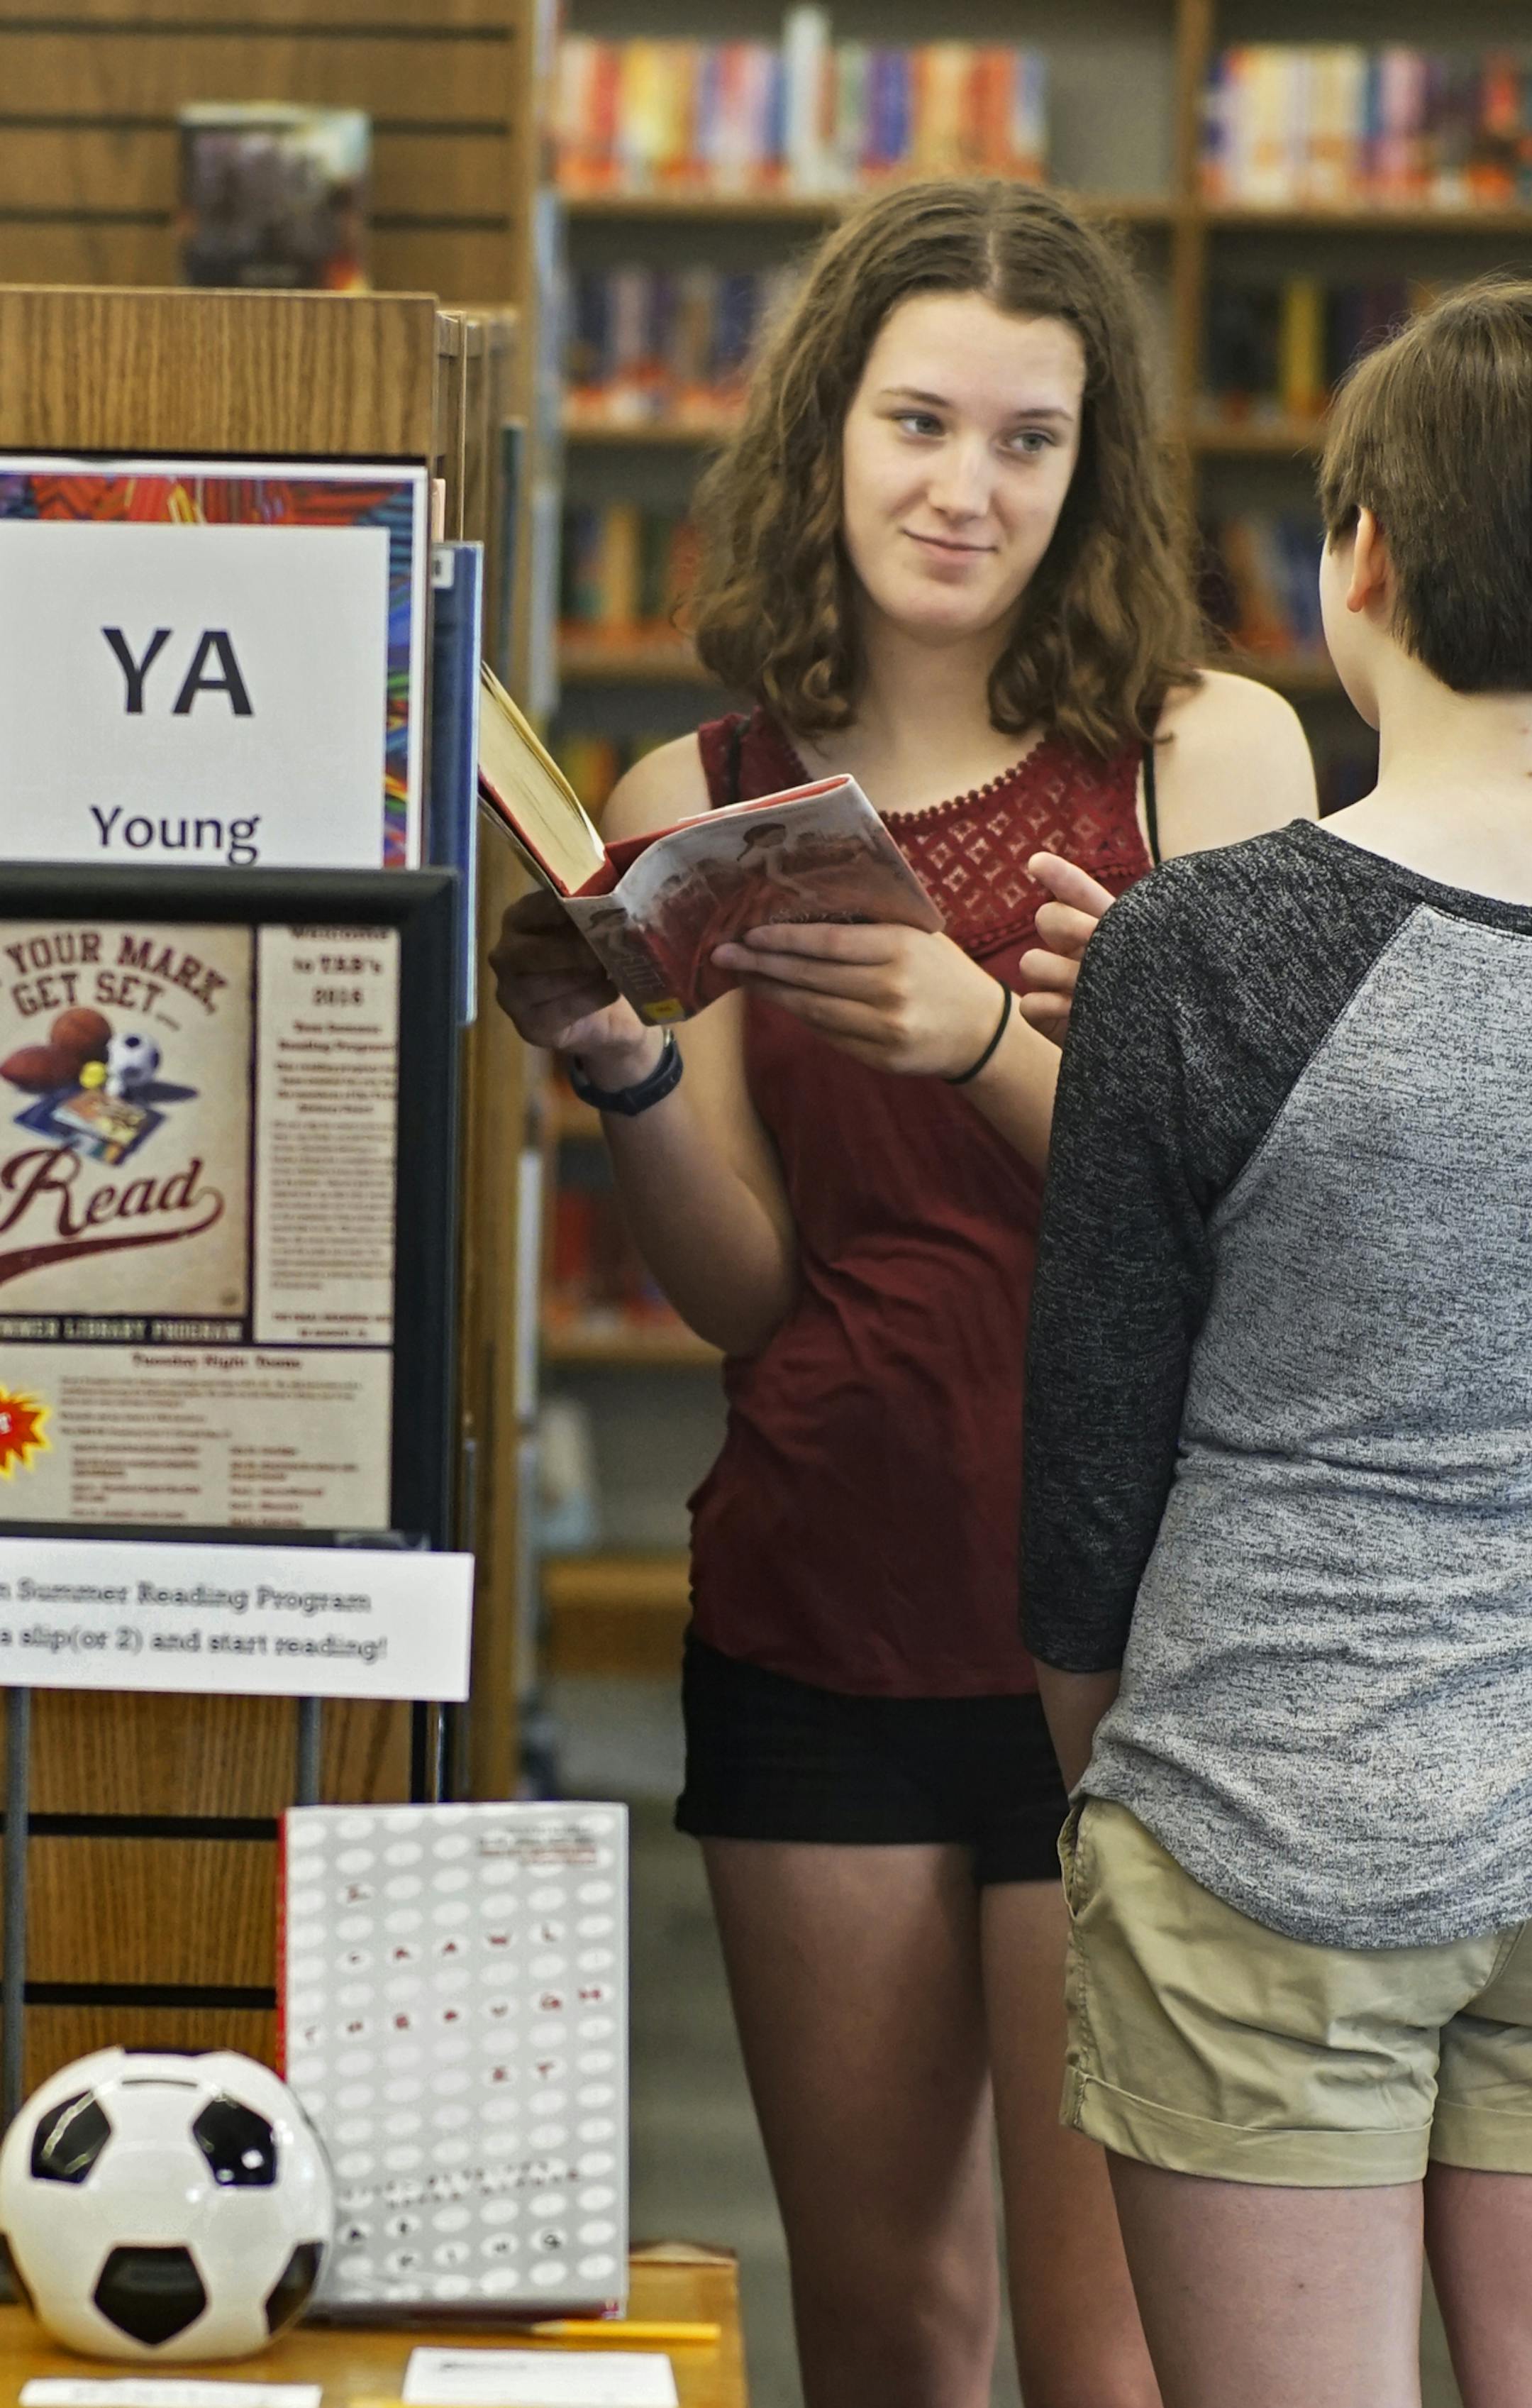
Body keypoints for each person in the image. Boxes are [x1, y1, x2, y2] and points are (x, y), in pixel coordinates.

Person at [494, 177, 1314, 2408]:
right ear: (824, 434)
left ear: (1094, 468)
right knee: (885, 2342)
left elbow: (1271, 1237)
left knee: (1107, 2357)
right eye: (920, 421)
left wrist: (982, 1037)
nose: (966, 487)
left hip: (1133, 1658)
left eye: (1029, 439)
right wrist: (631, 1071)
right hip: (817, 1609)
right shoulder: (709, 791)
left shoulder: (1205, 758)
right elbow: (747, 1291)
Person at [1021, 275, 1532, 2408]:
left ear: (1368, 555)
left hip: (1257, 1806)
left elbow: (1088, 1473)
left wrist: (1101, 1784)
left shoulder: (1206, 949)